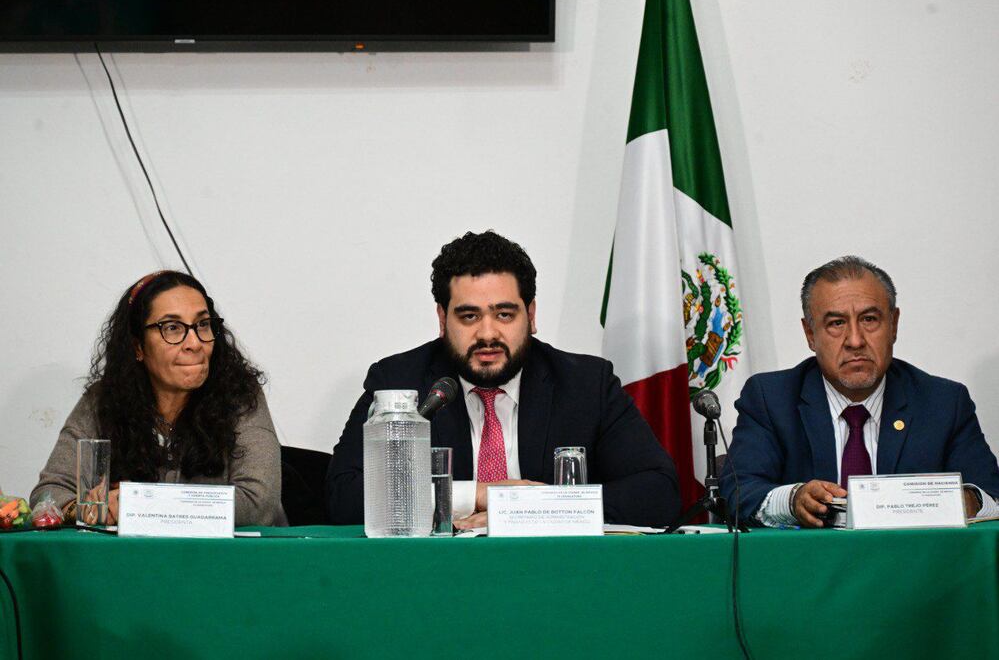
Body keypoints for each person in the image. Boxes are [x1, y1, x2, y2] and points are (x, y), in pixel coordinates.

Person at [326, 231, 681, 529]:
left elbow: (658, 493)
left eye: (504, 314)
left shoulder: (586, 384)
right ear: (441, 319)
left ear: (531, 315)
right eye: (468, 316)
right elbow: (343, 497)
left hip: (555, 577)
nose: (487, 333)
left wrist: (526, 509)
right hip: (435, 579)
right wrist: (478, 496)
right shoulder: (400, 382)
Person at [720, 256, 999, 527]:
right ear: (810, 334)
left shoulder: (943, 403)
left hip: (915, 568)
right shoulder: (772, 398)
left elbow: (991, 495)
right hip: (809, 569)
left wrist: (959, 501)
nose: (855, 340)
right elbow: (739, 492)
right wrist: (793, 501)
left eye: (869, 319)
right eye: (836, 323)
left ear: (894, 325)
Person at [30, 270, 285, 526]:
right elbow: (48, 494)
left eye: (203, 325)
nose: (194, 343)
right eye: (172, 328)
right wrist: (85, 509)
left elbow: (259, 504)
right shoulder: (103, 400)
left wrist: (138, 505)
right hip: (130, 562)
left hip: (226, 561)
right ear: (138, 346)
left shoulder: (239, 396)